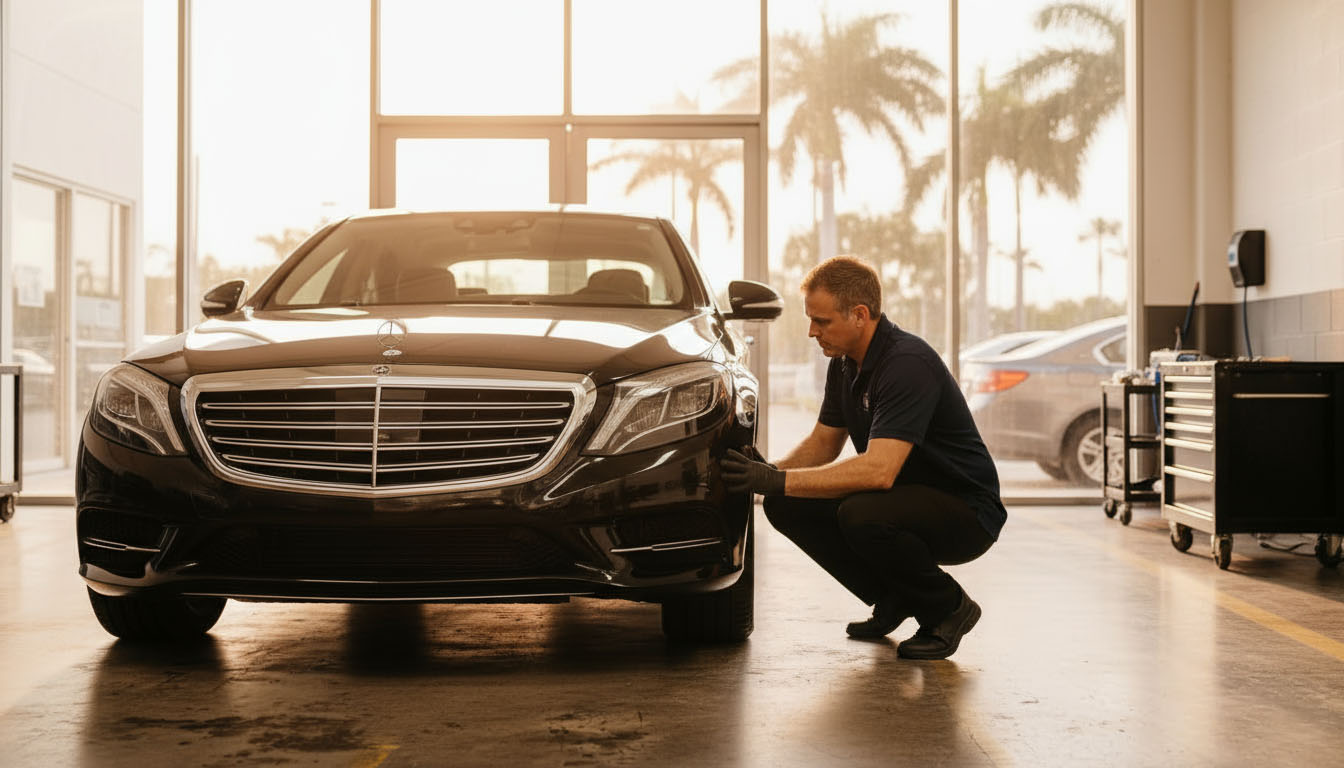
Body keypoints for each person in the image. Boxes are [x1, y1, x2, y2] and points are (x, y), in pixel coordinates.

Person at [722, 256, 1007, 660]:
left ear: (859, 315)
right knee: (784, 505)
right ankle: (895, 596)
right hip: (902, 499)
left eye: (821, 321)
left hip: (966, 511)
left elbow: (879, 471)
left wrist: (775, 479)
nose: (811, 331)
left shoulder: (906, 364)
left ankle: (948, 608)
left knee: (861, 514)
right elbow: (823, 443)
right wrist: (768, 472)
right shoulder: (844, 364)